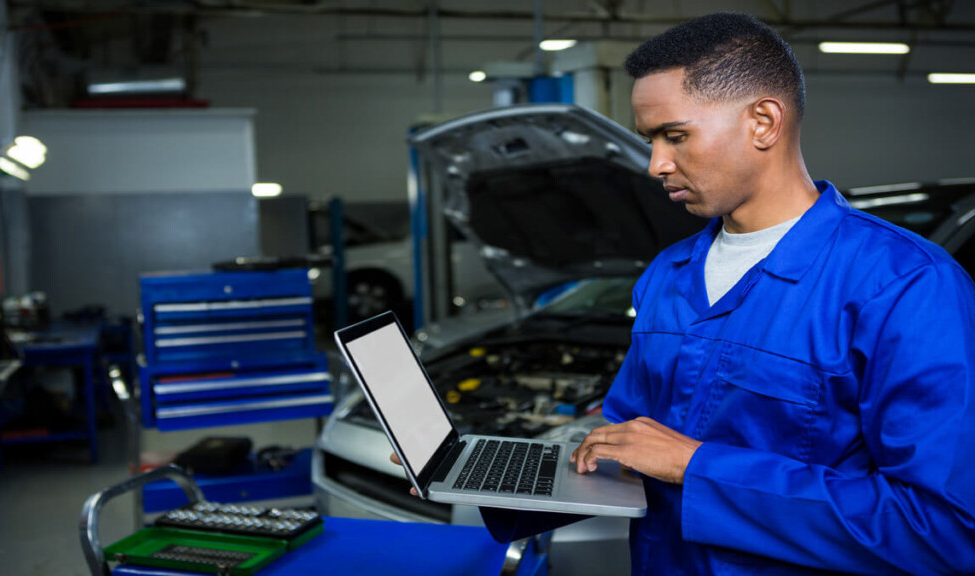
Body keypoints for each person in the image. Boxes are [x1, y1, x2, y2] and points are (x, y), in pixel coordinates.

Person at [397, 11, 975, 576]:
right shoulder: (668, 274)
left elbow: (943, 529)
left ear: (763, 122)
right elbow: (621, 454)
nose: (656, 164)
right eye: (649, 139)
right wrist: (479, 476)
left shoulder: (905, 286)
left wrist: (697, 468)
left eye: (675, 136)